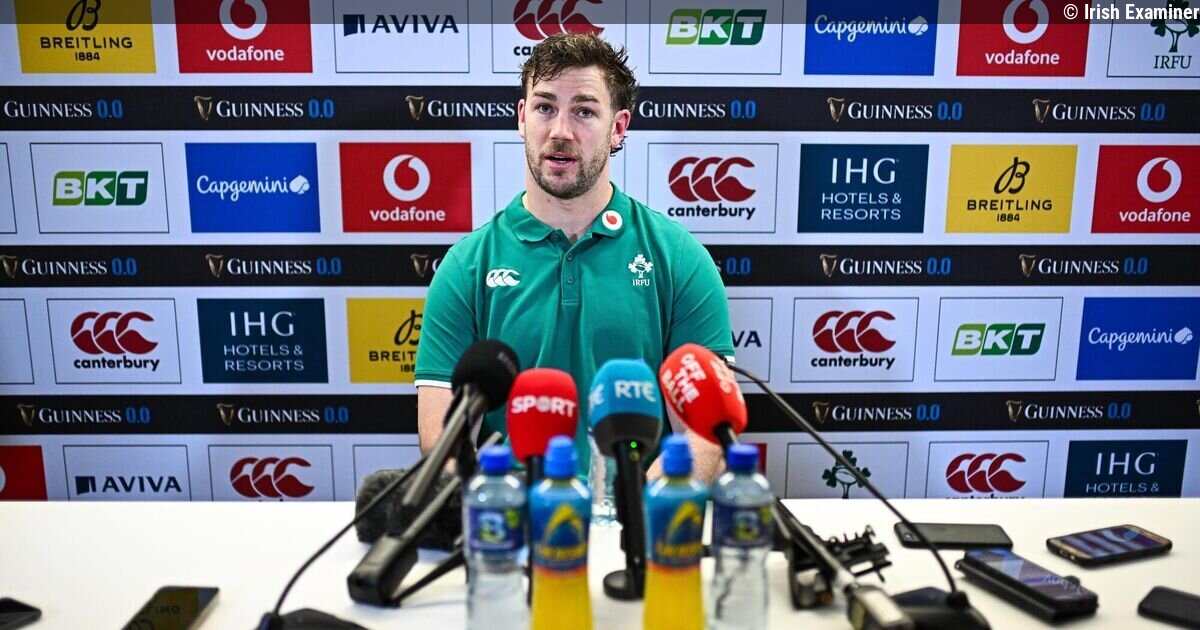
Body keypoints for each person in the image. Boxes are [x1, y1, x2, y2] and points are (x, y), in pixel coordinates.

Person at [413, 32, 733, 483]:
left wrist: (638, 512)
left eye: (584, 111)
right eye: (545, 107)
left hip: (639, 515)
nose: (560, 131)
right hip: (513, 518)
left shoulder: (680, 258)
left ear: (618, 127)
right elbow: (443, 443)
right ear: (522, 118)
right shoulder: (466, 267)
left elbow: (705, 432)